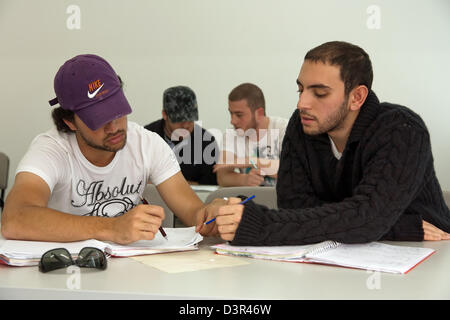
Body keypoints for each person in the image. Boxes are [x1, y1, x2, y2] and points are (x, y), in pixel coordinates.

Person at [208, 41, 450, 245]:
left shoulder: (401, 129)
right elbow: (296, 209)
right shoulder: (301, 126)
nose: (302, 103)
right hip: (351, 252)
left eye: (319, 93)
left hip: (428, 251)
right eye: (300, 90)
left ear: (357, 97)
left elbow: (368, 218)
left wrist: (260, 225)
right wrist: (398, 225)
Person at [1, 54, 221, 244]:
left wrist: (212, 213)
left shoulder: (147, 144)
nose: (114, 127)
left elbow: (193, 213)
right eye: (99, 119)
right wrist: (111, 227)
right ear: (69, 121)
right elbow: (14, 219)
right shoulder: (51, 150)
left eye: (117, 111)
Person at [214, 83, 288, 187]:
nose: (232, 121)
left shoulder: (284, 128)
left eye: (239, 115)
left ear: (259, 113)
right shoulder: (231, 134)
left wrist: (250, 161)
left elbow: (292, 171)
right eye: (231, 113)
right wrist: (245, 180)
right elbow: (222, 177)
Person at [144, 86, 218, 185]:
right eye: (179, 120)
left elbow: (210, 185)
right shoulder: (146, 138)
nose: (186, 125)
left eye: (190, 119)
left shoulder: (206, 141)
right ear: (165, 114)